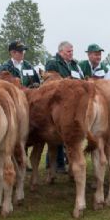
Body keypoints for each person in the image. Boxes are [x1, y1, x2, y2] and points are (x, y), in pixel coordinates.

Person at [44, 41, 84, 173]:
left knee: (67, 133)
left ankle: (65, 162)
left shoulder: (75, 65)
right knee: (55, 134)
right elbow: (50, 81)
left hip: (72, 101)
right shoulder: (53, 63)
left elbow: (82, 79)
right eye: (68, 51)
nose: (71, 53)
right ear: (61, 52)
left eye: (72, 51)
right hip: (56, 102)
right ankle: (55, 163)